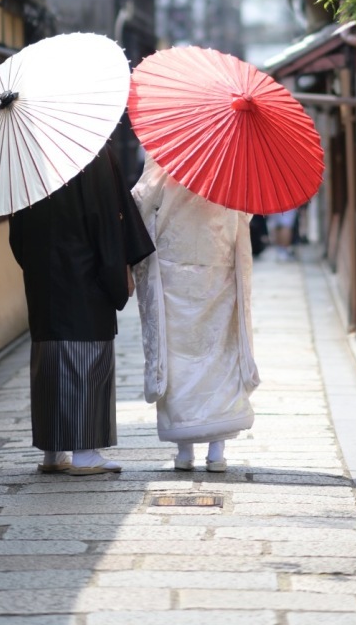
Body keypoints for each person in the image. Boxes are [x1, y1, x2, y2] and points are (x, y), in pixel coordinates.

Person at [9, 141, 154, 475]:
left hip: (43, 275)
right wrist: (119, 268)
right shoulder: (90, 153)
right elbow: (108, 218)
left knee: (48, 359)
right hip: (85, 273)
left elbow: (16, 231)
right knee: (87, 356)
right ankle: (86, 452)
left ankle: (52, 450)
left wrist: (35, 263)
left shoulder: (26, 156)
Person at [132, 154, 260, 473]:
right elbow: (246, 211)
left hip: (174, 271)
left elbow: (141, 202)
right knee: (220, 355)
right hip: (219, 267)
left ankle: (184, 451)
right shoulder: (232, 160)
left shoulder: (166, 156)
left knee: (177, 359)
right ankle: (217, 452)